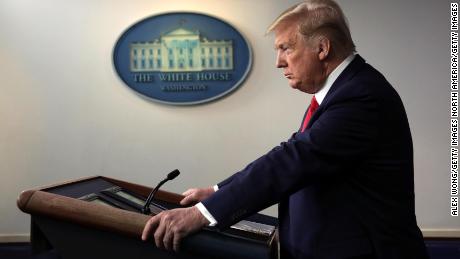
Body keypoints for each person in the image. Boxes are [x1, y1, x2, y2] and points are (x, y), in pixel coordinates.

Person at [142, 1, 430, 258]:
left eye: (286, 48)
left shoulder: (361, 97)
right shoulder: (339, 92)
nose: (279, 62)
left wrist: (202, 214)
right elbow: (288, 153)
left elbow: (293, 161)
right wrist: (216, 192)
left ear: (322, 48)